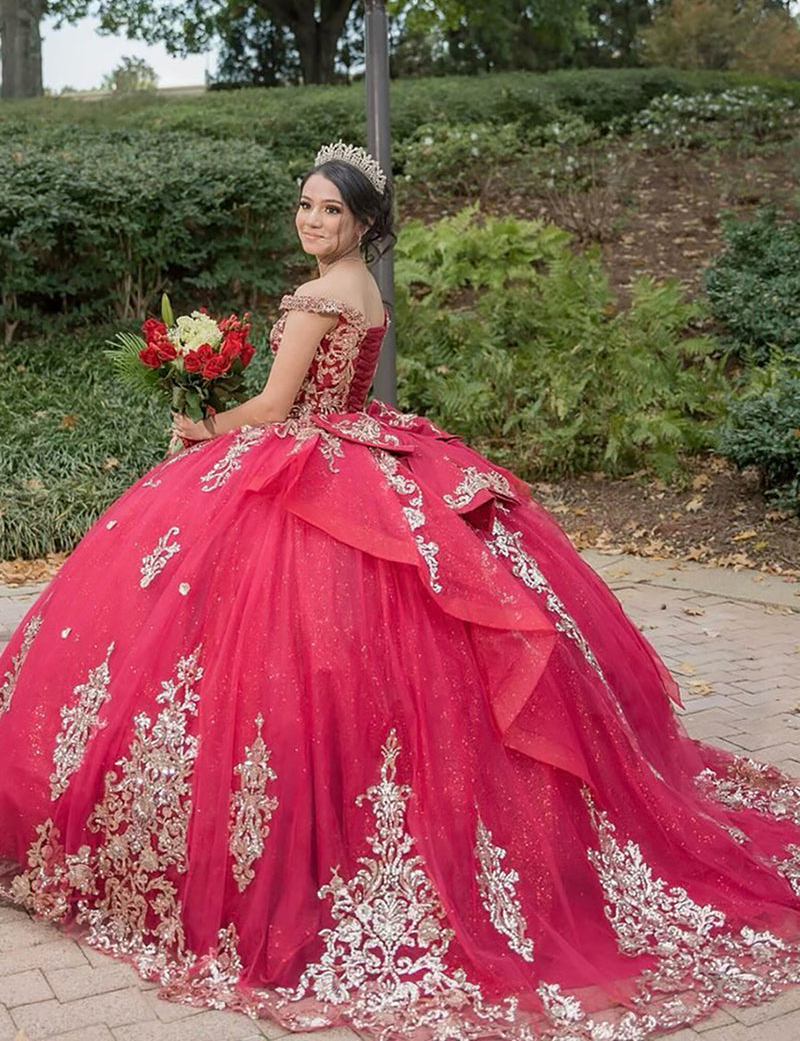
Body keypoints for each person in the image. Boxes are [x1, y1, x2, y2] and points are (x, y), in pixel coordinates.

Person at [1, 140, 799, 1041]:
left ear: (363, 223)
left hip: (309, 457)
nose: (312, 220)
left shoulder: (314, 297)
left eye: (332, 211)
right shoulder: (365, 291)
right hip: (362, 444)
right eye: (305, 204)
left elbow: (273, 409)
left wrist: (202, 425)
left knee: (261, 642)